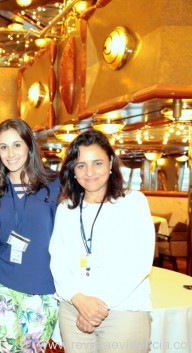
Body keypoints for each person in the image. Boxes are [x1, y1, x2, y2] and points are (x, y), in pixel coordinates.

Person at [49, 130, 155, 353]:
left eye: (97, 163)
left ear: (110, 163)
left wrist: (97, 307)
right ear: (73, 171)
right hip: (73, 309)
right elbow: (57, 259)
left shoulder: (132, 202)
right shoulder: (66, 207)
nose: (89, 172)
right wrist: (79, 300)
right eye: (80, 165)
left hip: (122, 310)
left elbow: (139, 262)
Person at [0, 118, 60, 352]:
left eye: (17, 145)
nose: (10, 153)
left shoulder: (55, 184)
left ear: (29, 145)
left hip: (43, 289)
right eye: (3, 147)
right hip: (0, 286)